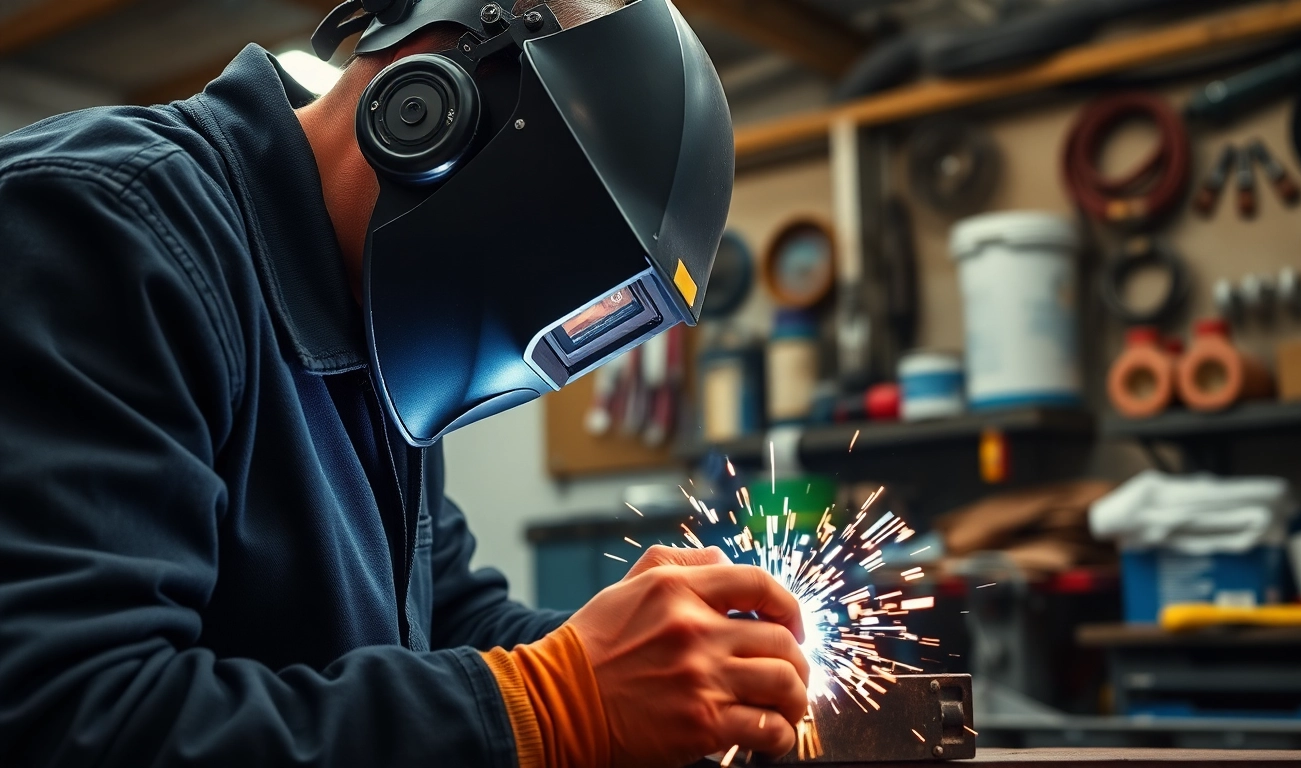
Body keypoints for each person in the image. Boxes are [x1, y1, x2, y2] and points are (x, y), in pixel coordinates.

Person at [0, 0, 810, 766]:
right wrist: (555, 703)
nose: (545, 333)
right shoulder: (104, 228)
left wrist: (654, 670)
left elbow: (442, 620)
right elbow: (67, 716)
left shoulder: (372, 335)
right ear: (431, 103)